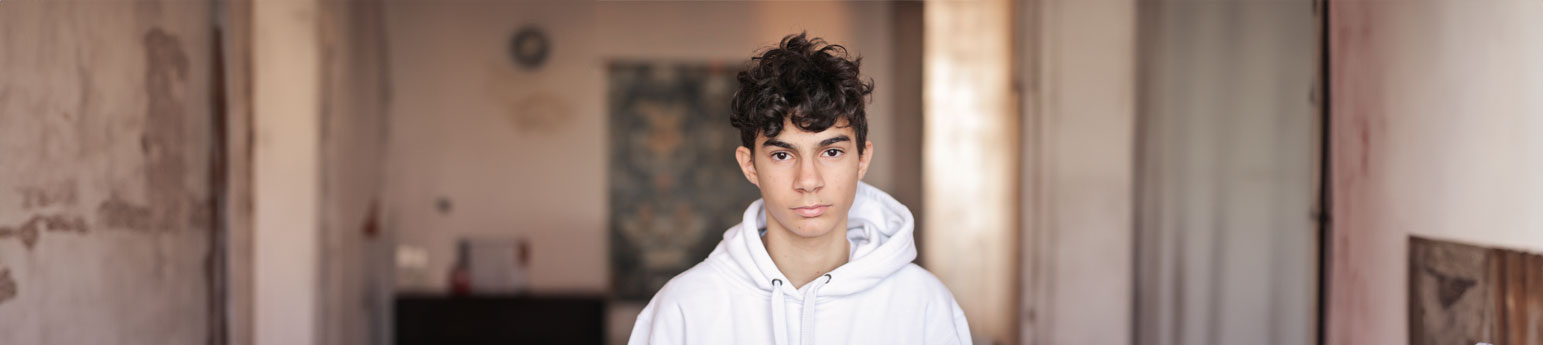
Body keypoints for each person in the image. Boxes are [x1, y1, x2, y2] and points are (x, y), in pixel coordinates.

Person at [627, 32, 971, 345]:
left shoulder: (923, 305)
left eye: (831, 152)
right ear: (750, 165)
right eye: (782, 154)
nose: (808, 180)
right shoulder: (684, 308)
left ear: (862, 160)